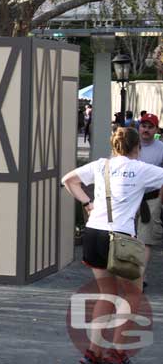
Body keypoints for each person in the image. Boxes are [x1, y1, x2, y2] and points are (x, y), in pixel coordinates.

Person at [62, 127, 163, 364]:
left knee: (106, 294)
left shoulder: (101, 165)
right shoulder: (141, 169)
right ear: (137, 147)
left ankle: (93, 353)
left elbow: (69, 180)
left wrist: (87, 203)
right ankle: (117, 353)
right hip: (121, 239)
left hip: (94, 234)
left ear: (115, 146)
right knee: (132, 294)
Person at [135, 113, 163, 289]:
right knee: (127, 238)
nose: (146, 129)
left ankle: (140, 278)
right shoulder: (130, 144)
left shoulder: (161, 148)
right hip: (129, 199)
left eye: (150, 126)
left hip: (151, 199)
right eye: (143, 125)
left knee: (145, 240)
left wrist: (160, 201)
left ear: (156, 129)